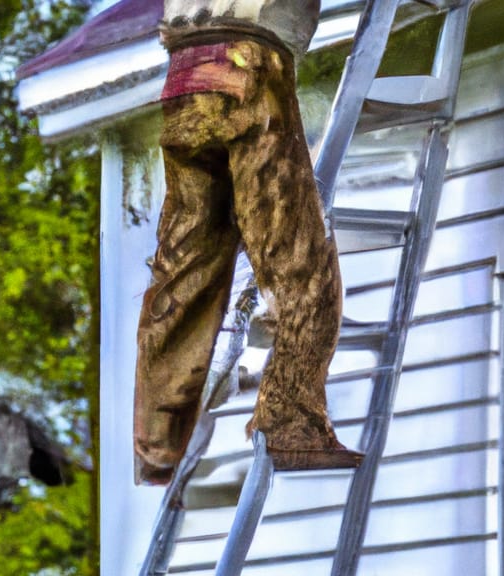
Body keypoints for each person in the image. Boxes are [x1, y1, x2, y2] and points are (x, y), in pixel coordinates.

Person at [134, 0, 363, 485]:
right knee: (297, 259)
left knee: (184, 269)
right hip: (247, 63)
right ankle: (291, 424)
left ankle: (157, 445)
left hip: (183, 76)